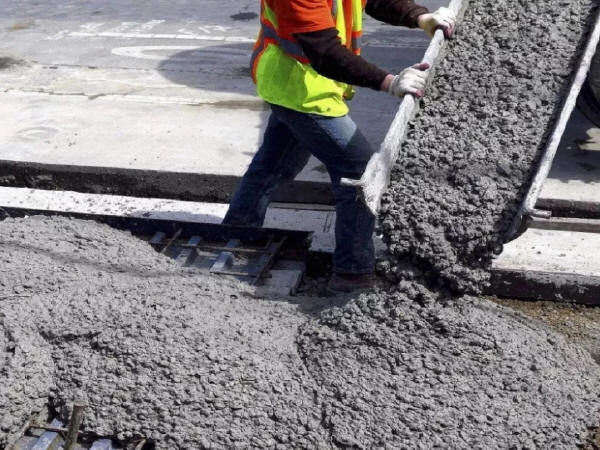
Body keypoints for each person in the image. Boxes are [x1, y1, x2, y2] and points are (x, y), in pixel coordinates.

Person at [223, 0, 456, 293]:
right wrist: (390, 82)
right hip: (299, 88)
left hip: (302, 82)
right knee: (359, 168)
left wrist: (421, 17)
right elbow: (324, 51)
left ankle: (235, 235)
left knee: (275, 164)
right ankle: (352, 275)